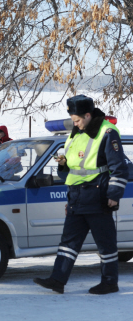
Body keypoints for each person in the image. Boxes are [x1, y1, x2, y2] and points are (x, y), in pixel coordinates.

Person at [33, 95, 128, 295]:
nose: (74, 124)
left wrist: (114, 195)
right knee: (68, 242)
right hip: (76, 196)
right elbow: (74, 167)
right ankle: (57, 280)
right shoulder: (76, 133)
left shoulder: (107, 132)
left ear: (87, 115)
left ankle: (110, 282)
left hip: (97, 195)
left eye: (76, 120)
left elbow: (119, 167)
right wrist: (63, 164)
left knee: (105, 243)